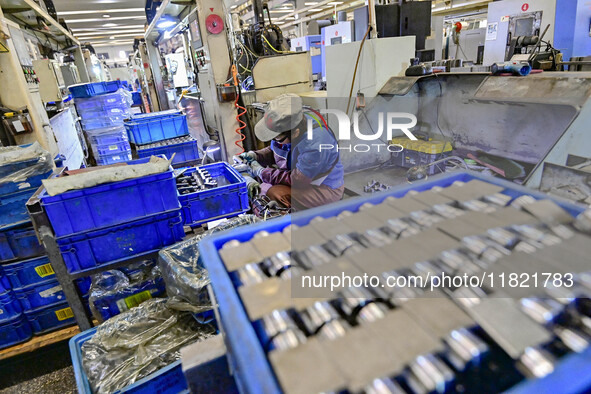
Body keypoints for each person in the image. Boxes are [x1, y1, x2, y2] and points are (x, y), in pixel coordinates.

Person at [239, 93, 344, 210]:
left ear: (295, 133)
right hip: (302, 179)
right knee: (263, 185)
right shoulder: (290, 126)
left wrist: (262, 172)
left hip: (324, 188)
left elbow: (298, 180)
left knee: (274, 193)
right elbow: (277, 149)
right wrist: (255, 156)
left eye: (276, 138)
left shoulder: (316, 144)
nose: (274, 141)